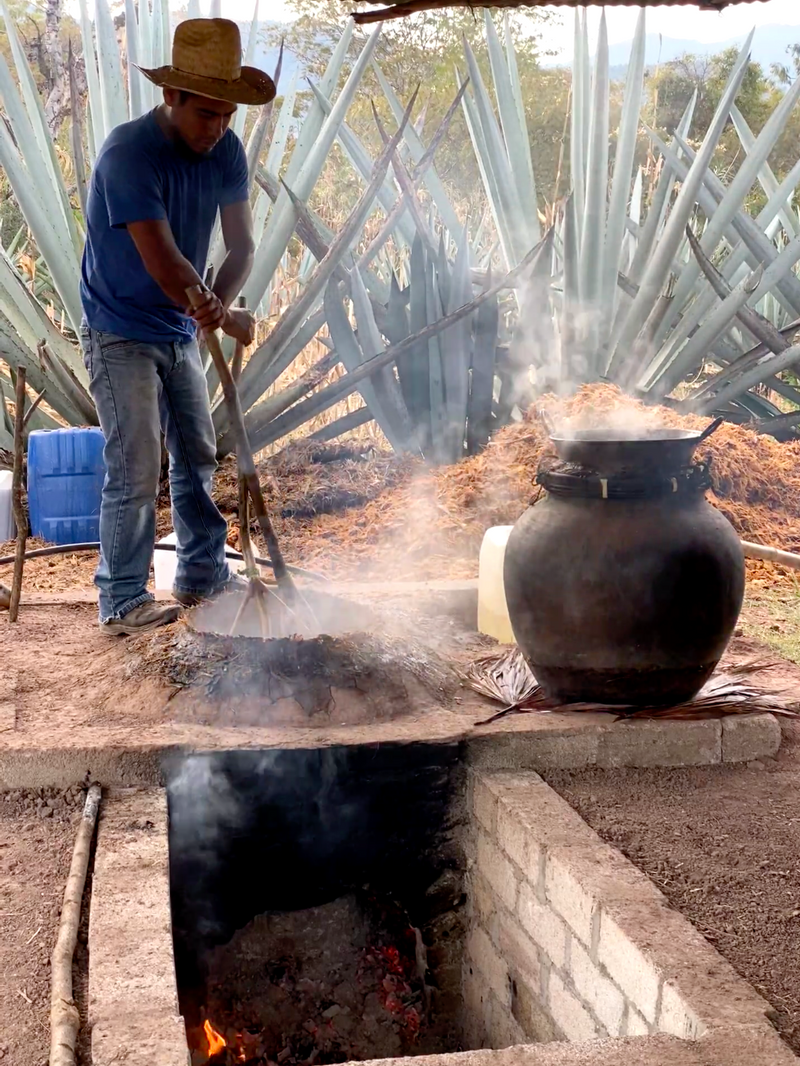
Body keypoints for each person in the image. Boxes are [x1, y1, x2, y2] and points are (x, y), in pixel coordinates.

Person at [80, 18, 275, 635]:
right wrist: (208, 307)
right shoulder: (128, 154)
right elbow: (163, 260)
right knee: (136, 463)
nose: (217, 128)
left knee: (195, 454)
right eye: (206, 114)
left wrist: (218, 301)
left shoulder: (227, 152)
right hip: (120, 326)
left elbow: (242, 244)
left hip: (180, 324)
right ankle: (123, 600)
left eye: (227, 116)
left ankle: (202, 573)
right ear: (172, 97)